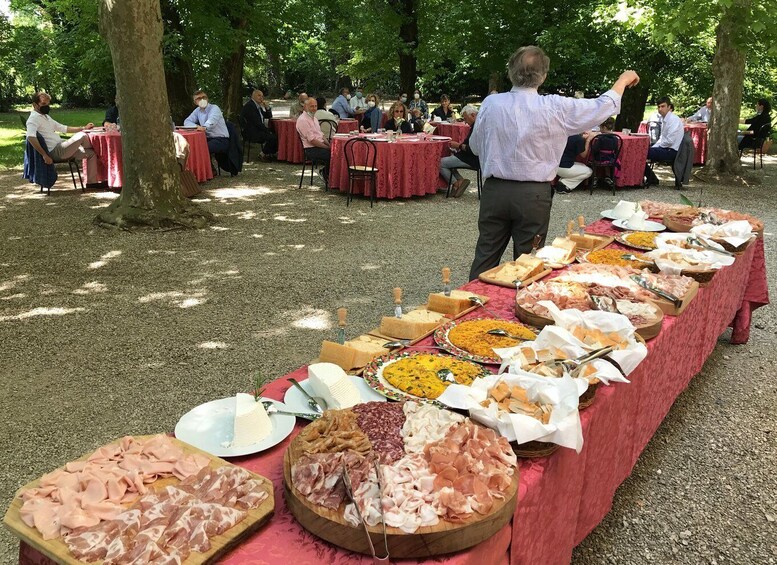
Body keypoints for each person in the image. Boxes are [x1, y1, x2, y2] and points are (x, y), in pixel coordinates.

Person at [468, 45, 639, 280]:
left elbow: (476, 147)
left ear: (510, 72)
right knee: (528, 262)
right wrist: (623, 79)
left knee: (485, 256)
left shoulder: (491, 104)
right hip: (533, 195)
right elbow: (601, 107)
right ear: (543, 76)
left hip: (495, 190)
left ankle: (471, 307)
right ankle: (517, 310)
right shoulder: (555, 107)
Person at [25, 91, 99, 185]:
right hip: (54, 151)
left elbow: (63, 128)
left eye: (48, 104)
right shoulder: (33, 119)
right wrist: (45, 155)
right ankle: (98, 145)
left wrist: (84, 128)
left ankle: (92, 183)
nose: (46, 106)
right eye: (43, 104)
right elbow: (31, 137)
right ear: (35, 104)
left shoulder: (46, 117)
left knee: (91, 153)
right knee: (82, 135)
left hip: (62, 147)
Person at [439, 105, 479, 197]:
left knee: (440, 163)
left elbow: (473, 149)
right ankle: (460, 180)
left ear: (473, 115)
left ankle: (456, 183)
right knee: (450, 160)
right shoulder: (477, 125)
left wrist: (458, 145)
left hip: (472, 159)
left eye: (465, 118)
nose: (465, 121)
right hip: (471, 156)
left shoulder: (477, 128)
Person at [643, 96, 683, 186]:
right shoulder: (665, 119)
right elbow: (662, 139)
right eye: (659, 107)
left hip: (671, 151)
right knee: (641, 152)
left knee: (640, 153)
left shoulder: (673, 120)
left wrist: (655, 149)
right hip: (666, 148)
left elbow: (669, 141)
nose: (660, 109)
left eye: (663, 106)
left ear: (669, 107)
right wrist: (653, 148)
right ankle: (651, 178)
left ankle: (651, 178)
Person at [184, 90, 230, 158]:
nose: (202, 99)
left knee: (200, 149)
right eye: (199, 98)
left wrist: (204, 127)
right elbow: (187, 121)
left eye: (204, 97)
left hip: (220, 139)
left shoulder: (214, 108)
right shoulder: (197, 111)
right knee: (190, 146)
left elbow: (212, 121)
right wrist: (196, 126)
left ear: (207, 99)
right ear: (195, 102)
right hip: (207, 139)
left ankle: (209, 168)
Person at [296, 97, 330, 181]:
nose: (314, 108)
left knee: (339, 152)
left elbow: (321, 135)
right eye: (311, 106)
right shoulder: (303, 120)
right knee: (334, 155)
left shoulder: (314, 119)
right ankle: (325, 173)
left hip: (319, 146)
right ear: (305, 107)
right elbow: (312, 140)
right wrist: (327, 147)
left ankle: (330, 176)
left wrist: (329, 145)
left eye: (315, 106)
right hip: (311, 149)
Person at [240, 89, 278, 159]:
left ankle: (269, 153)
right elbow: (257, 123)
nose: (261, 98)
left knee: (276, 134)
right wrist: (267, 131)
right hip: (251, 132)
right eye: (259, 95)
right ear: (253, 96)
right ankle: (263, 154)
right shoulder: (250, 106)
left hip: (256, 130)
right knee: (273, 137)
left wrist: (267, 107)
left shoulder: (257, 106)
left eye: (262, 96)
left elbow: (268, 116)